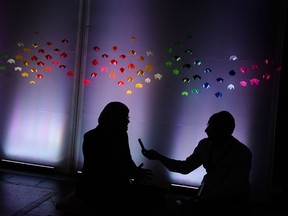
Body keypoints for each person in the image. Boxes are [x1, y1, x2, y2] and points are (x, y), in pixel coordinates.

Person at [141, 110, 252, 216]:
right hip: (218, 200)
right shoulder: (211, 146)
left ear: (225, 130)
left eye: (211, 126)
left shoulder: (239, 152)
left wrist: (159, 157)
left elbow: (230, 188)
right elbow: (185, 167)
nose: (206, 130)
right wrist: (159, 157)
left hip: (228, 203)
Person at [75, 101, 165, 215]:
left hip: (113, 187)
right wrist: (131, 172)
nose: (128, 121)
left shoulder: (121, 135)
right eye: (125, 117)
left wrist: (134, 170)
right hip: (96, 190)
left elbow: (126, 158)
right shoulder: (92, 137)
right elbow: (100, 171)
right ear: (114, 118)